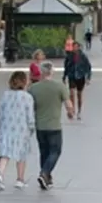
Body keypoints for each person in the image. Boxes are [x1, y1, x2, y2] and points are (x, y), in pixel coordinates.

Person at [27, 61, 75, 190]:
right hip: (54, 125)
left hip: (40, 126)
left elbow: (28, 106)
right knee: (55, 151)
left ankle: (46, 177)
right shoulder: (59, 86)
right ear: (52, 72)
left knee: (44, 151)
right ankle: (44, 173)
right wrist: (70, 113)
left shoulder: (33, 88)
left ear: (41, 72)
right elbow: (68, 103)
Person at [0, 71, 36, 191]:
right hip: (22, 130)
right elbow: (30, 116)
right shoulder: (28, 97)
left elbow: (0, 113)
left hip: (6, 129)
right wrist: (31, 129)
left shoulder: (5, 95)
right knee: (21, 156)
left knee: (5, 154)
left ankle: (0, 175)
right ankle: (20, 180)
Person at [62, 42, 92, 119]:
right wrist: (64, 77)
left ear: (78, 47)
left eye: (76, 47)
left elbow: (88, 67)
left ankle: (79, 111)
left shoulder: (83, 56)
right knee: (71, 93)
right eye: (73, 47)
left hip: (80, 76)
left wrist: (88, 78)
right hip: (72, 76)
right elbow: (66, 67)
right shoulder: (69, 56)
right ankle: (72, 110)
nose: (74, 48)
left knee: (79, 95)